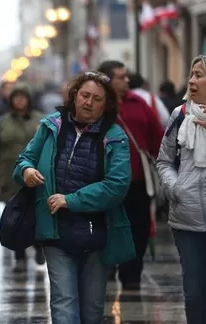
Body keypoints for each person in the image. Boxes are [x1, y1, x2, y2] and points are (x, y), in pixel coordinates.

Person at [13, 72, 135, 324]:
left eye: (97, 98)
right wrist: (26, 170)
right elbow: (24, 159)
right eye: (84, 95)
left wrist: (71, 200)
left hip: (97, 234)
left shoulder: (115, 136)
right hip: (55, 231)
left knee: (92, 310)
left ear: (107, 104)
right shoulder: (51, 126)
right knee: (63, 303)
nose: (89, 102)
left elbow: (117, 185)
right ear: (74, 96)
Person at [97, 61, 164, 290]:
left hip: (137, 180)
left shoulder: (139, 103)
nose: (127, 81)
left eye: (126, 77)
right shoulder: (97, 105)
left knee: (139, 228)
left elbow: (157, 136)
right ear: (107, 80)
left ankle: (132, 274)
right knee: (106, 226)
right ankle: (106, 268)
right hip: (105, 181)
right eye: (121, 77)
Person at [157, 55, 206, 324]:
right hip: (187, 220)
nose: (191, 81)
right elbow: (164, 160)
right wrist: (175, 188)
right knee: (195, 293)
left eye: (199, 75)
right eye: (191, 74)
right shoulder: (180, 115)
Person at [0, 84, 45, 270]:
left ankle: (39, 246)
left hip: (36, 175)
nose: (20, 101)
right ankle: (19, 253)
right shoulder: (3, 122)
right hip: (9, 175)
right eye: (17, 97)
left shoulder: (41, 120)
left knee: (37, 212)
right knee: (14, 215)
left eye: (23, 97)